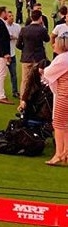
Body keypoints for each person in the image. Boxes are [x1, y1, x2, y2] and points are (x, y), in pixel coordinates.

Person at [43, 33, 68, 165]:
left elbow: (48, 73)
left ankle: (59, 154)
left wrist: (42, 71)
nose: (53, 45)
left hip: (64, 95)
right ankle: (66, 152)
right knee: (66, 125)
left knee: (58, 124)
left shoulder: (62, 59)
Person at [17, 9, 50, 97]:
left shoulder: (24, 29)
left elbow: (18, 44)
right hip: (38, 58)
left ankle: (23, 100)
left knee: (25, 80)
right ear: (40, 18)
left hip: (26, 57)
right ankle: (36, 99)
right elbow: (47, 39)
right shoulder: (41, 30)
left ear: (31, 18)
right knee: (38, 80)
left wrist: (25, 49)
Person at [5, 10, 22, 98]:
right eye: (10, 16)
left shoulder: (17, 26)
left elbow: (21, 37)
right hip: (3, 55)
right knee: (0, 74)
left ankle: (15, 91)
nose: (12, 17)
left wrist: (16, 38)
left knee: (14, 74)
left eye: (12, 16)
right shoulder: (3, 26)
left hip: (12, 53)